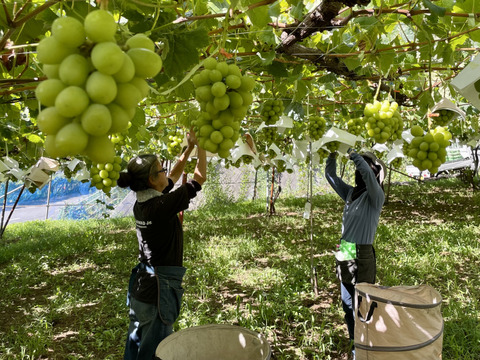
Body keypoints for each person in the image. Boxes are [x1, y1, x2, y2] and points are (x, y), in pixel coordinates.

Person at [119, 129, 207, 360]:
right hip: (159, 290)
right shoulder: (160, 206)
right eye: (161, 170)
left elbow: (173, 178)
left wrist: (188, 149)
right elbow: (199, 179)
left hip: (143, 288)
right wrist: (203, 146)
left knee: (136, 344)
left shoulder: (145, 201)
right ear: (151, 179)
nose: (165, 172)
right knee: (155, 351)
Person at [325, 148, 386, 359]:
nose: (360, 170)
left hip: (362, 251)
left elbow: (368, 175)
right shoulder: (351, 193)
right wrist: (332, 154)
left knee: (363, 301)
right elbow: (331, 177)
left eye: (367, 166)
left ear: (375, 172)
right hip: (346, 248)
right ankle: (355, 340)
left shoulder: (376, 196)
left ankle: (366, 343)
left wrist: (355, 156)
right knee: (346, 300)